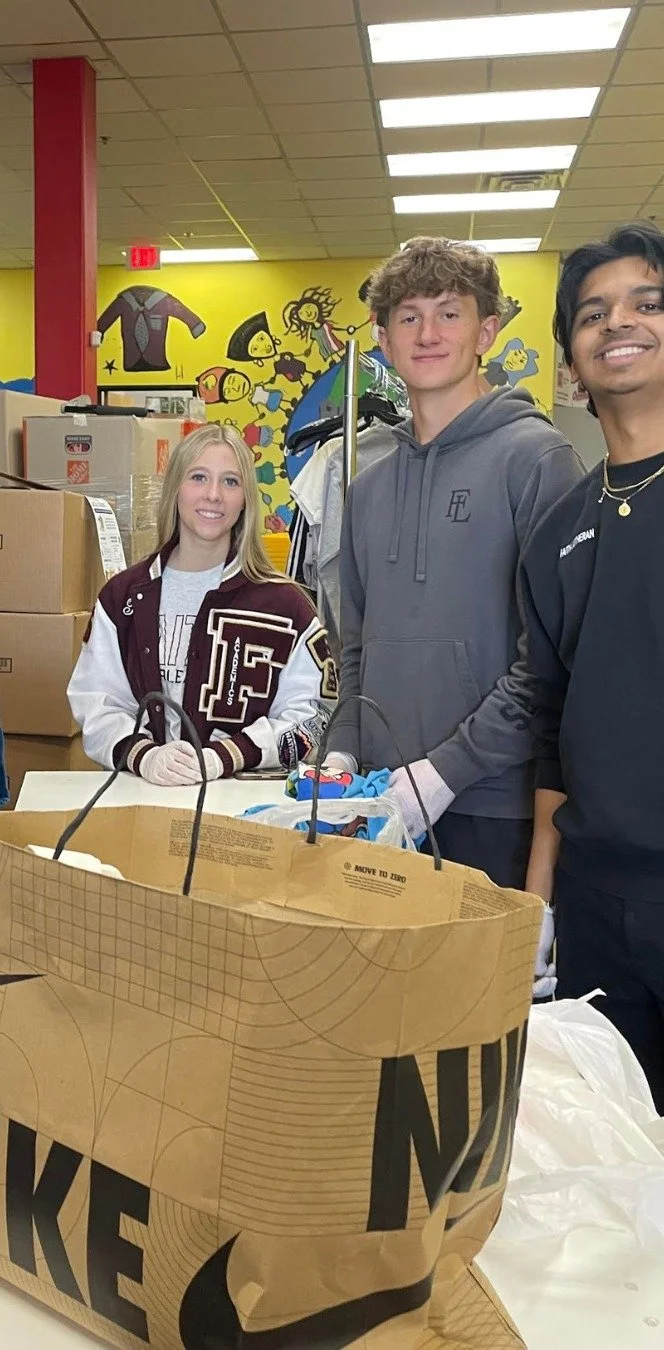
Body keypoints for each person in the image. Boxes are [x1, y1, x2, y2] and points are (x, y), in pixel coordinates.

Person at [322, 237, 582, 887]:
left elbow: (549, 659)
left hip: (493, 807)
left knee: (473, 989)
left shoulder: (538, 460)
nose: (428, 333)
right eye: (408, 316)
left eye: (449, 312)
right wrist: (341, 753)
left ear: (486, 330)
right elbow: (356, 649)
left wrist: (446, 773)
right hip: (376, 807)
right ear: (382, 338)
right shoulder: (366, 487)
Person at [522, 221, 664, 1107]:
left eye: (648, 302)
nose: (621, 322)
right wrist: (539, 903)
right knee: (618, 1154)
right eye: (594, 311)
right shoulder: (557, 532)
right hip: (597, 899)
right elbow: (551, 724)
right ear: (572, 359)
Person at [68, 423, 336, 783]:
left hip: (246, 811)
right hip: (139, 799)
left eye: (230, 482)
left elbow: (313, 718)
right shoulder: (122, 598)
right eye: (198, 477)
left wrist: (227, 756)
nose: (213, 495)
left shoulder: (287, 607)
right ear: (175, 488)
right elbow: (96, 702)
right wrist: (143, 755)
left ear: (245, 500)